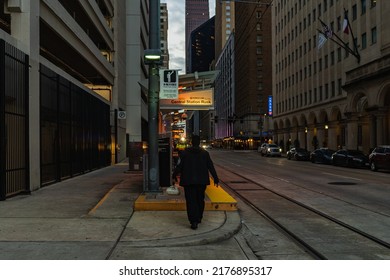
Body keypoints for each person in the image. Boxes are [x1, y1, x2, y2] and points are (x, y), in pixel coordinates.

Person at [172, 134, 219, 230]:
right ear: (199, 143)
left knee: (190, 201)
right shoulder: (205, 153)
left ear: (191, 142)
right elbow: (210, 166)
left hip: (188, 181)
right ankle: (198, 217)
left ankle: (193, 221)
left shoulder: (184, 153)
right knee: (200, 200)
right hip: (201, 181)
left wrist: (174, 175)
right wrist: (215, 178)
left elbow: (179, 166)